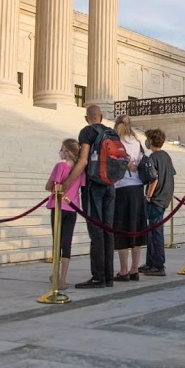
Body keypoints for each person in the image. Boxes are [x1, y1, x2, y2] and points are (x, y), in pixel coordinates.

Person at [62, 105, 116, 289]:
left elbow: (84, 159)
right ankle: (109, 276)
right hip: (110, 184)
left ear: (87, 118)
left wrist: (67, 183)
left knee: (96, 231)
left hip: (93, 186)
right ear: (101, 116)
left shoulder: (87, 131)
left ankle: (98, 276)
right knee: (107, 229)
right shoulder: (111, 131)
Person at [112, 114, 147, 282]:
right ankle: (135, 269)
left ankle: (124, 269)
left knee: (122, 229)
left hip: (122, 187)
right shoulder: (137, 142)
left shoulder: (117, 142)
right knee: (137, 229)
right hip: (138, 188)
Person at [45, 138, 81, 288]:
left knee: (57, 242)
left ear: (69, 152)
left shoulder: (60, 166)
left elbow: (49, 186)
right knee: (67, 243)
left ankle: (56, 273)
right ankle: (63, 278)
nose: (62, 152)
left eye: (64, 150)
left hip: (58, 206)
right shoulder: (79, 170)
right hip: (72, 207)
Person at [139, 128, 174, 276]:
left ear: (151, 141)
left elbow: (154, 178)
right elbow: (171, 174)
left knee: (155, 232)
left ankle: (158, 265)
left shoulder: (152, 158)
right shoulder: (166, 156)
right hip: (164, 197)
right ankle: (151, 263)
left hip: (156, 199)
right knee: (152, 231)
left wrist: (149, 195)